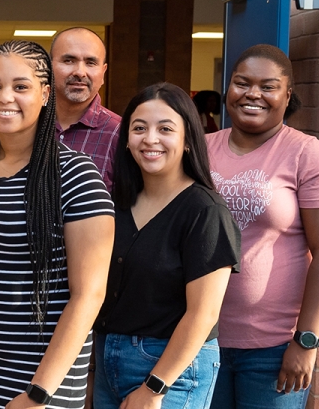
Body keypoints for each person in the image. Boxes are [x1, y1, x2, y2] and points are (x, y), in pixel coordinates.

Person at [0, 40, 116, 408]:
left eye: (20, 86)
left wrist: (39, 392)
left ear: (46, 94)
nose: (5, 97)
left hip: (37, 380)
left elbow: (89, 296)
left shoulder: (77, 176)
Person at [208, 45, 319, 408]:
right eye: (242, 83)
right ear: (228, 89)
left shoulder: (306, 153)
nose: (253, 94)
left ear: (287, 96)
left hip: (272, 349)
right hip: (200, 340)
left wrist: (307, 340)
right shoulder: (200, 148)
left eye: (268, 86)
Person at [93, 82, 241, 409]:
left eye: (165, 128)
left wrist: (156, 386)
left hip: (172, 367)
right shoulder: (117, 203)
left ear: (188, 139)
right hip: (108, 354)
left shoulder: (204, 211)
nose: (150, 139)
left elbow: (203, 313)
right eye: (139, 128)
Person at [51, 27, 122, 193]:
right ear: (49, 67)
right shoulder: (27, 126)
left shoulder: (121, 134)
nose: (80, 72)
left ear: (103, 72)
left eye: (91, 62)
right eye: (69, 60)